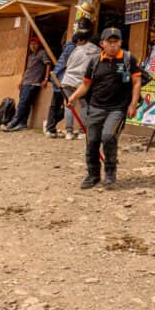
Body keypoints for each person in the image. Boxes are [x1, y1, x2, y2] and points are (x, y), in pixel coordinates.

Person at [68, 27, 142, 189]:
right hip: (95, 107)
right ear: (102, 44)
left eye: (117, 42)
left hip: (117, 108)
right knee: (92, 142)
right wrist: (73, 97)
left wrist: (133, 104)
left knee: (108, 137)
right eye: (110, 42)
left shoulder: (129, 59)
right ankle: (93, 175)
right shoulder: (94, 62)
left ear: (121, 42)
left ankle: (110, 173)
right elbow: (86, 84)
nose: (113, 45)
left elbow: (136, 83)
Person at [2, 35, 51, 132]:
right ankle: (23, 124)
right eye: (31, 44)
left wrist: (46, 78)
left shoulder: (42, 53)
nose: (33, 46)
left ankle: (13, 123)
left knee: (22, 104)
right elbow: (27, 70)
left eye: (35, 44)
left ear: (39, 45)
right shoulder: (30, 56)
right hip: (26, 83)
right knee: (26, 104)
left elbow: (48, 65)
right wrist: (21, 81)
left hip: (33, 83)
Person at [56, 31, 98, 140]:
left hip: (68, 80)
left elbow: (67, 64)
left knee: (69, 106)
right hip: (81, 83)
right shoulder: (97, 52)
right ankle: (81, 132)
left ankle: (69, 132)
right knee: (85, 106)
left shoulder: (77, 49)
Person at [44, 34, 79, 139]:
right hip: (63, 81)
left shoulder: (67, 48)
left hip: (59, 79)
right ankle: (50, 127)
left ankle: (50, 127)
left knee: (57, 106)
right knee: (65, 106)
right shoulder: (72, 49)